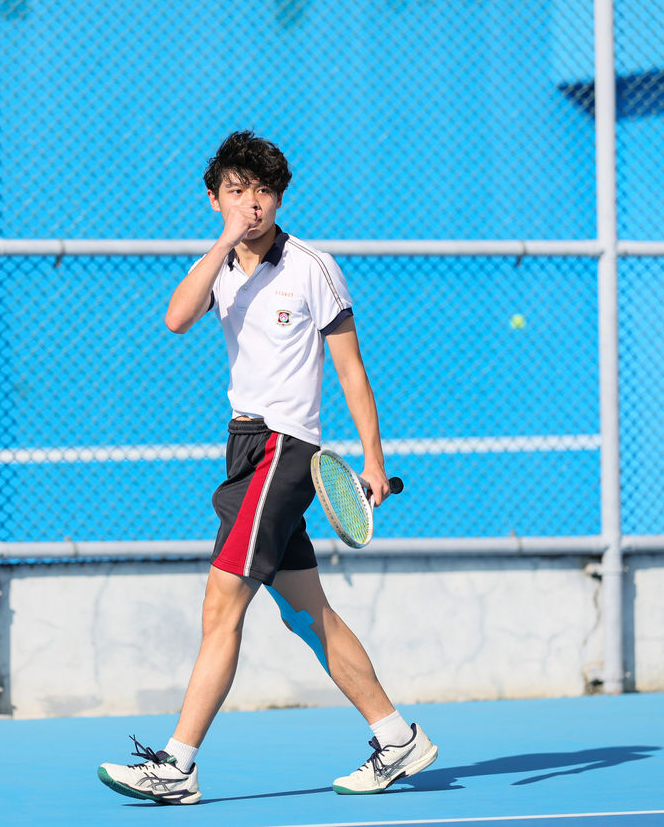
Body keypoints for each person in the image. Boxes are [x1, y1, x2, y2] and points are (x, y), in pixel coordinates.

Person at [96, 131, 437, 805]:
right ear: (215, 198)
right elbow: (176, 318)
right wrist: (224, 241)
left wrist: (373, 459)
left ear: (280, 198)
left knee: (220, 605)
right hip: (243, 447)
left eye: (263, 191)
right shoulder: (219, 266)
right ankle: (398, 738)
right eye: (237, 191)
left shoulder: (313, 267)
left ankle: (178, 765)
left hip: (287, 450)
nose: (252, 203)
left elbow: (351, 369)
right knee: (308, 615)